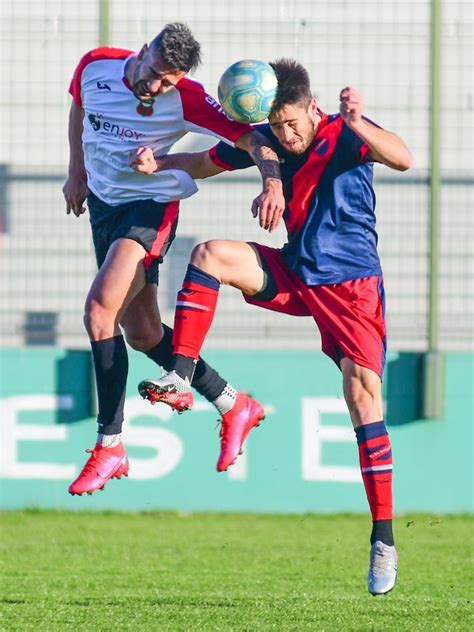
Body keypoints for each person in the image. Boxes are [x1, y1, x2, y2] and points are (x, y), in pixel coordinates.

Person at [132, 59, 413, 595]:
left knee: (362, 401)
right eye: (277, 125)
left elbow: (402, 157)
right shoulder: (267, 142)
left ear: (313, 108)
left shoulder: (343, 132)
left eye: (293, 124)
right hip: (294, 272)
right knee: (210, 254)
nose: (287, 135)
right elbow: (205, 162)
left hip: (352, 289)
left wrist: (358, 121)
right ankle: (183, 375)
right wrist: (157, 162)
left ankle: (383, 540)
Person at [62, 23, 285, 497]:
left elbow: (253, 140)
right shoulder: (95, 64)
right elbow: (80, 105)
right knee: (142, 333)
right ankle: (234, 403)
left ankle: (110, 445)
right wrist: (76, 171)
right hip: (103, 206)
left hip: (149, 207)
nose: (158, 87)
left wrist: (272, 181)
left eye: (169, 81)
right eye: (157, 74)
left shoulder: (187, 98)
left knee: (100, 312)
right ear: (143, 52)